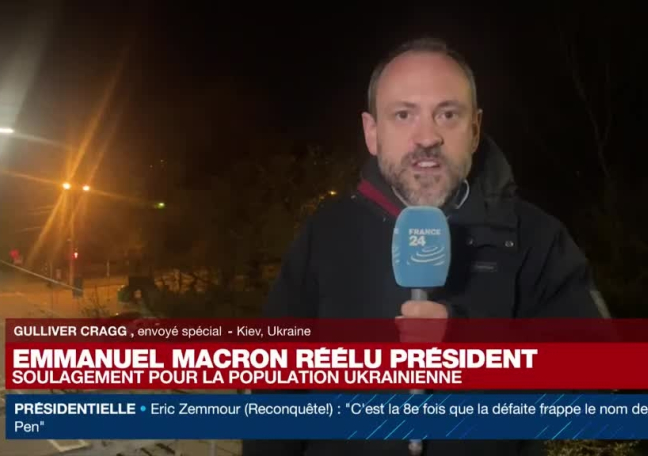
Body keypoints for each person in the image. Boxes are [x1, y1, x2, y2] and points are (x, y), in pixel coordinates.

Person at [242, 37, 610, 456]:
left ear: (475, 129)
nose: (427, 137)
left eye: (447, 114)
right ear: (372, 133)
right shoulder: (325, 233)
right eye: (403, 115)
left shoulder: (535, 238)